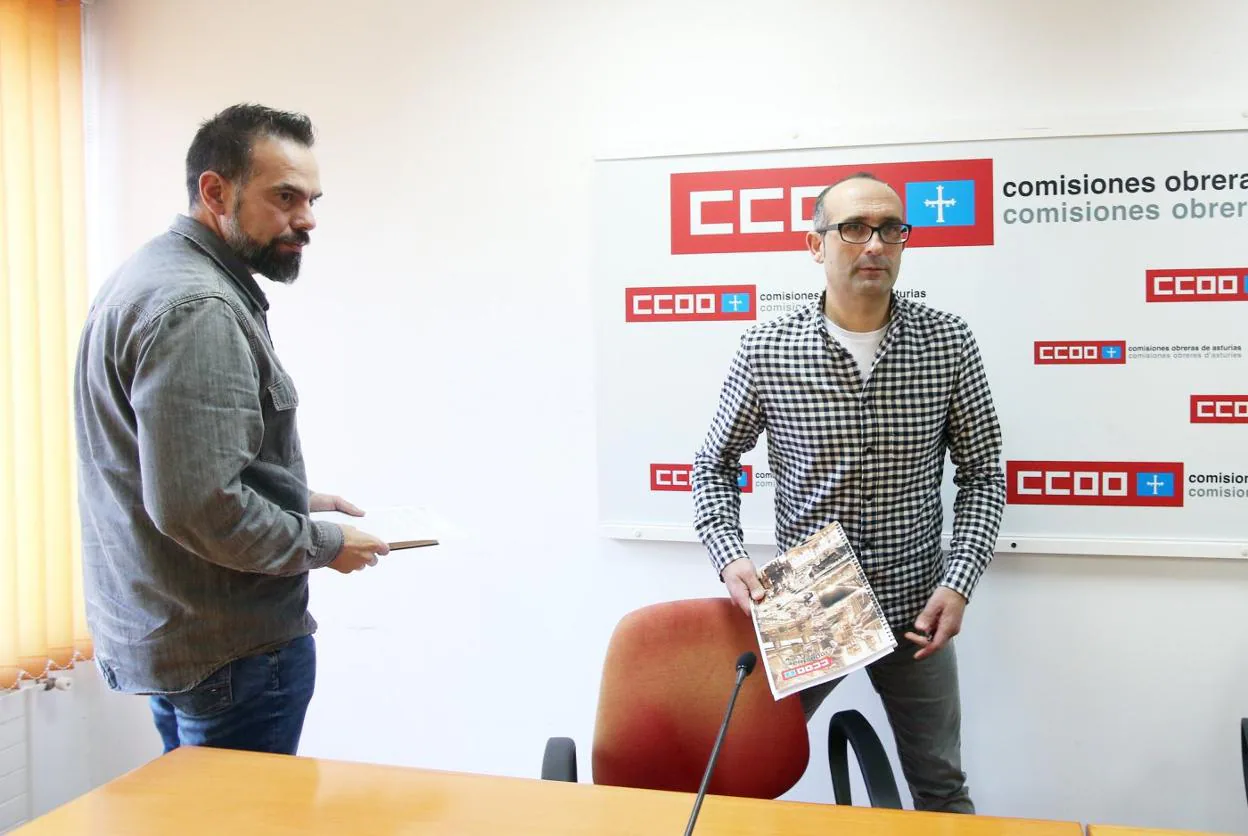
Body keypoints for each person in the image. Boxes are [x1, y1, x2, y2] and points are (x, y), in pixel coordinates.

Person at [73, 104, 389, 756]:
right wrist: (326, 543)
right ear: (215, 192)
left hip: (181, 640)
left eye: (311, 199)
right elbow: (202, 507)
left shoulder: (146, 277)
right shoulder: (198, 308)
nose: (306, 218)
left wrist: (291, 496)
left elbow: (170, 469)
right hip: (232, 657)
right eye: (285, 197)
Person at [692, 172, 1005, 813]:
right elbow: (713, 464)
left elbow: (983, 475)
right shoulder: (768, 348)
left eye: (891, 229)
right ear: (816, 246)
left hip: (917, 603)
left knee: (942, 788)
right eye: (854, 228)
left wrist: (960, 580)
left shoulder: (947, 343)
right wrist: (730, 555)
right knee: (739, 779)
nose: (874, 244)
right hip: (812, 599)